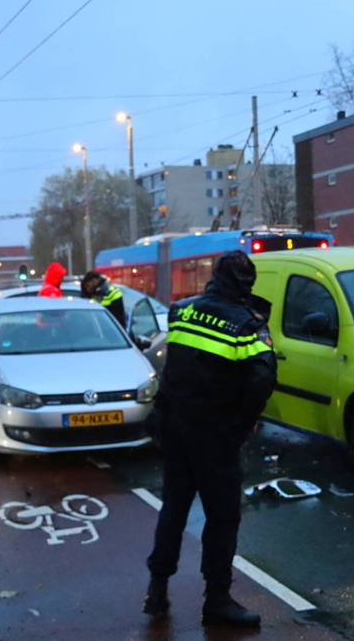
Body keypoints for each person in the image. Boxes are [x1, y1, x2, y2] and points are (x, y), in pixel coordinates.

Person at [143, 250, 276, 627]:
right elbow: (263, 377)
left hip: (176, 428)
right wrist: (243, 423)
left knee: (173, 509)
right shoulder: (248, 324)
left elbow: (174, 366)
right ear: (246, 284)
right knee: (222, 517)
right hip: (215, 435)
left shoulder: (182, 311)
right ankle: (216, 598)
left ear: (214, 276)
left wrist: (162, 411)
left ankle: (157, 591)